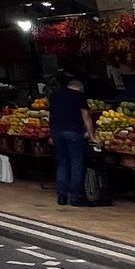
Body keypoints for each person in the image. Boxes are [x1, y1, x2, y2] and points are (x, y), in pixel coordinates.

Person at [48, 73, 93, 206]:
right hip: (73, 132)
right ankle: (76, 197)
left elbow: (50, 115)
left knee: (62, 163)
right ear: (78, 88)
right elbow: (87, 118)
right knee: (76, 163)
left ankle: (62, 196)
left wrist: (51, 134)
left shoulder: (54, 95)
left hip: (57, 132)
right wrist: (91, 135)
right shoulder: (79, 96)